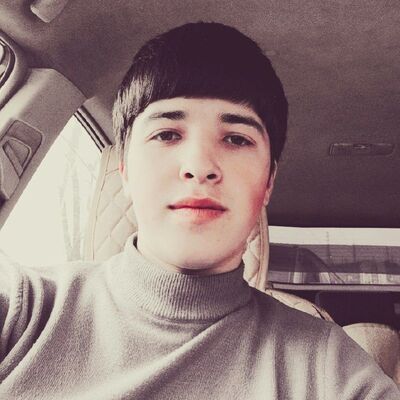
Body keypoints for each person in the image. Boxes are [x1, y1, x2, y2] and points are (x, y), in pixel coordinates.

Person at [0, 22, 399, 400]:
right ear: (125, 169)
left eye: (237, 139)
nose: (200, 165)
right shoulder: (24, 311)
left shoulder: (329, 368)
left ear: (268, 183)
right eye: (166, 134)